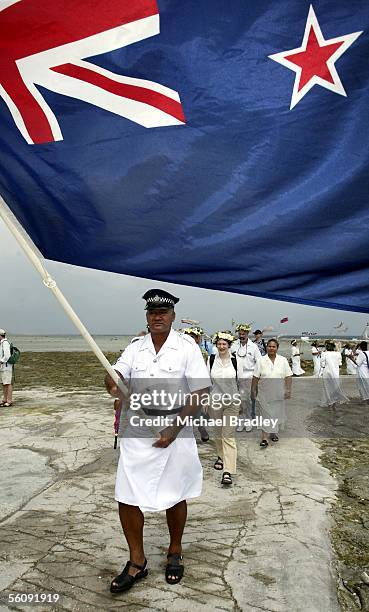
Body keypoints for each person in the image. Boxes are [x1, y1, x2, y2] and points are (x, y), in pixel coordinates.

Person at [105, 289, 210, 592]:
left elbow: (200, 391)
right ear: (147, 317)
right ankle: (137, 561)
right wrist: (111, 379)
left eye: (163, 312)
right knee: (127, 495)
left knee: (176, 494)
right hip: (138, 430)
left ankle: (174, 551)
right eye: (153, 312)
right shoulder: (135, 347)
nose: (158, 316)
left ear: (173, 316)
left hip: (174, 428)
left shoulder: (186, 346)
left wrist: (174, 430)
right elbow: (115, 377)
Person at [208, 331, 240, 487]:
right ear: (216, 345)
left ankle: (228, 471)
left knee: (228, 435)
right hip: (215, 401)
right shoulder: (211, 359)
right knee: (218, 433)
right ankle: (221, 456)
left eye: (224, 344)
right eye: (219, 344)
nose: (221, 346)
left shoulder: (236, 361)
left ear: (229, 345)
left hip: (232, 402)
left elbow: (241, 381)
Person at [251, 339, 292, 447]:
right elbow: (255, 377)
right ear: (266, 348)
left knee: (276, 414)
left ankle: (273, 433)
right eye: (269, 346)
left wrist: (288, 390)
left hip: (278, 392)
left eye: (273, 347)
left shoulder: (283, 360)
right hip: (264, 392)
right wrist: (253, 390)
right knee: (265, 415)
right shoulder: (260, 360)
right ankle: (264, 438)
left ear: (277, 348)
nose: (271, 348)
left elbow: (288, 376)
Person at [232, 323, 261, 432]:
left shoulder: (253, 347)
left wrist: (257, 378)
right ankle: (240, 422)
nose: (241, 336)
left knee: (248, 401)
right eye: (240, 334)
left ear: (247, 334)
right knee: (238, 401)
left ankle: (248, 421)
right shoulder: (234, 345)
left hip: (249, 376)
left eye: (243, 334)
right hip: (236, 377)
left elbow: (259, 362)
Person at [183, 327, 210, 442]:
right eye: (188, 337)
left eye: (193, 337)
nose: (190, 339)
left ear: (198, 339)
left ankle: (201, 428)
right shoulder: (181, 352)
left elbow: (205, 372)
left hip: (197, 386)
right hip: (184, 386)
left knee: (198, 412)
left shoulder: (202, 353)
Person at [320, 341, 348, 409]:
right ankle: (334, 405)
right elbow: (340, 364)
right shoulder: (338, 354)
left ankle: (329, 404)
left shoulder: (324, 354)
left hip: (327, 373)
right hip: (335, 373)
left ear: (327, 347)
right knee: (335, 388)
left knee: (327, 389)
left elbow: (322, 364)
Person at [0, 329, 13, 407]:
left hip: (6, 367)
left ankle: (9, 400)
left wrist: (1, 361)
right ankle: (5, 399)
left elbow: (7, 356)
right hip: (3, 367)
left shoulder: (5, 343)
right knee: (4, 383)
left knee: (8, 383)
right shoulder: (1, 343)